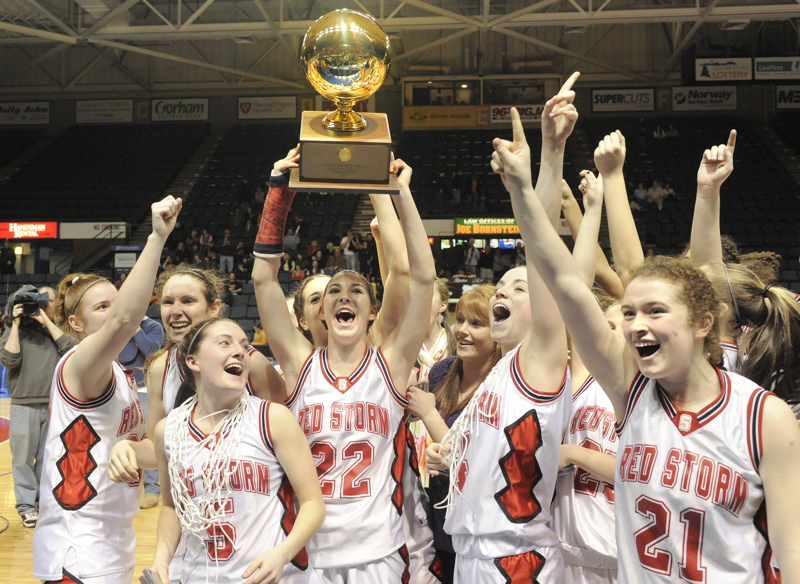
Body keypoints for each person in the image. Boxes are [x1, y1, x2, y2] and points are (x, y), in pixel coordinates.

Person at [492, 109, 800, 582]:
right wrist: (523, 191)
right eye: (630, 312)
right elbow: (565, 283)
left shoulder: (764, 416)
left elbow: (791, 554)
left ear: (704, 323)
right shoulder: (629, 389)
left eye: (655, 312)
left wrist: (706, 194)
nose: (635, 324)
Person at [253, 150, 435, 583]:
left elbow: (422, 278)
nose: (345, 296)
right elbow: (263, 278)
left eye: (357, 290)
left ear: (372, 312)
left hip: (379, 552)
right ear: (322, 313)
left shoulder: (390, 364)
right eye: (334, 291)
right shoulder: (299, 366)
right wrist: (279, 188)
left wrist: (401, 192)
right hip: (306, 548)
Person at [427, 74, 580, 584]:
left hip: (515, 561)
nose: (501, 293)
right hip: (475, 555)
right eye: (501, 287)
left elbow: (541, 257)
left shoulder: (540, 360)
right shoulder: (500, 369)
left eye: (518, 288)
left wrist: (548, 156)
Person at [33, 196, 181, 583]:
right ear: (75, 324)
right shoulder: (79, 365)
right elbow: (126, 318)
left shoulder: (118, 373)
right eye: (102, 308)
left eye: (115, 303)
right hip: (78, 545)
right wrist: (156, 238)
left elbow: (143, 452)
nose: (116, 311)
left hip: (111, 537)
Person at [150, 317, 325, 584]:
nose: (240, 351)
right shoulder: (168, 429)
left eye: (244, 346)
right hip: (194, 576)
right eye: (224, 343)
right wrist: (161, 560)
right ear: (193, 361)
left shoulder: (272, 418)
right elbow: (171, 507)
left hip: (269, 576)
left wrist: (281, 554)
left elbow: (313, 503)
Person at [106, 264, 285, 495]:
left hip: (254, 502)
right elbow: (155, 449)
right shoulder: (160, 368)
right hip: (194, 508)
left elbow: (286, 441)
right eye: (168, 302)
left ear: (214, 308)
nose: (175, 311)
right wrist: (126, 447)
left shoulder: (251, 363)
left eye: (188, 301)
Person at [407, 285, 500, 583]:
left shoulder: (503, 383)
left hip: (483, 522)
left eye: (476, 324)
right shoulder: (442, 371)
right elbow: (449, 449)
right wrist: (437, 453)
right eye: (459, 320)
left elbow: (483, 459)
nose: (461, 330)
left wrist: (431, 416)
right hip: (439, 510)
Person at [0, 286, 78, 528]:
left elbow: (72, 350)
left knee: (49, 458)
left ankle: (44, 502)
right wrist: (14, 324)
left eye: (45, 302)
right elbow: (10, 360)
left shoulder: (54, 331)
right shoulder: (14, 332)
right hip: (24, 405)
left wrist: (45, 320)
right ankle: (26, 507)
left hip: (54, 405)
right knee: (22, 459)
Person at [118, 316, 165, 510]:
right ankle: (126, 487)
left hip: (145, 389)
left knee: (148, 439)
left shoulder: (153, 326)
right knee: (124, 438)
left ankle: (152, 489)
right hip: (123, 390)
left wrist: (136, 329)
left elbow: (153, 351)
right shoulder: (119, 325)